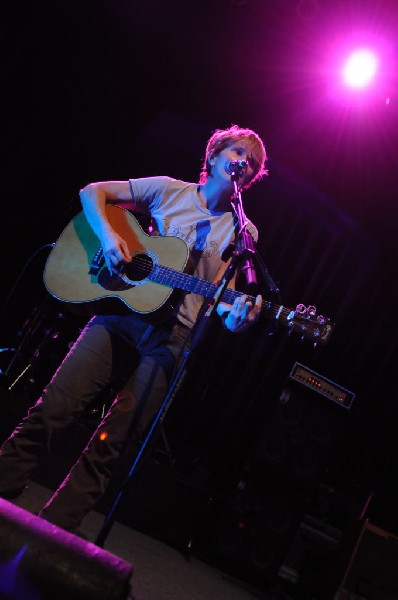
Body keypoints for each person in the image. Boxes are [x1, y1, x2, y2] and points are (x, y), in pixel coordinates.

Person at [0, 124, 268, 536]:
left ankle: (47, 537)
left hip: (172, 340)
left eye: (251, 162)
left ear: (250, 178)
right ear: (213, 156)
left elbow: (222, 301)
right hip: (122, 314)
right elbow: (93, 192)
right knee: (53, 409)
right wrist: (109, 238)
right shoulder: (167, 190)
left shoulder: (243, 232)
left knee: (111, 445)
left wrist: (237, 317)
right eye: (238, 152)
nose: (244, 162)